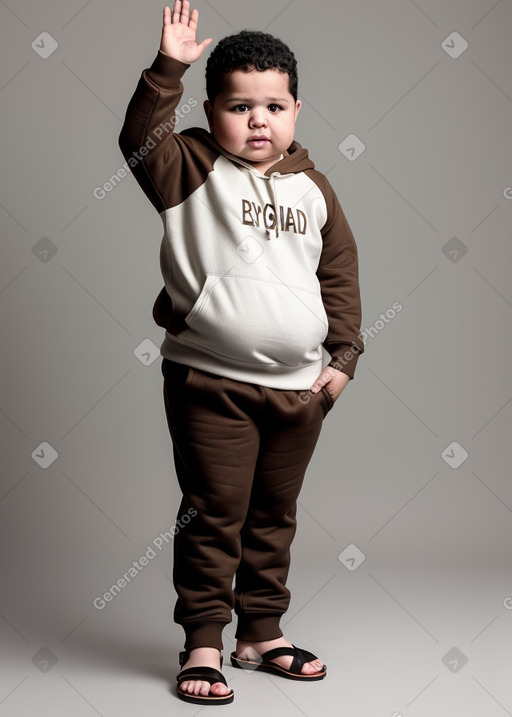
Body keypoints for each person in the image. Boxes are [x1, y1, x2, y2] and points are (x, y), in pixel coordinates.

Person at [118, 0, 364, 705]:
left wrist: (341, 361)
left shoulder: (315, 189)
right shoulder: (188, 168)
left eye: (274, 105)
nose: (259, 120)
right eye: (239, 106)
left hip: (299, 392)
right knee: (214, 508)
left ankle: (261, 630)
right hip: (210, 381)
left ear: (296, 109)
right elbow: (138, 135)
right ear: (212, 110)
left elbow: (339, 275)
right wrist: (168, 66)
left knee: (273, 513)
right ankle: (203, 639)